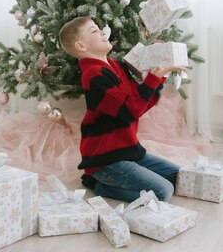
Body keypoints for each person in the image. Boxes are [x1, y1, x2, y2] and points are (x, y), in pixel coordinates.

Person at [58, 16, 186, 202]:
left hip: (130, 151)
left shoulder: (116, 65)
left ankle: (116, 178)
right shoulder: (94, 75)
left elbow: (140, 106)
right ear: (81, 46)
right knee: (163, 191)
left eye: (99, 28)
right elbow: (128, 112)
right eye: (94, 31)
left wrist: (158, 78)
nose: (102, 32)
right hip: (107, 160)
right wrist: (152, 80)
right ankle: (99, 184)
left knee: (180, 177)